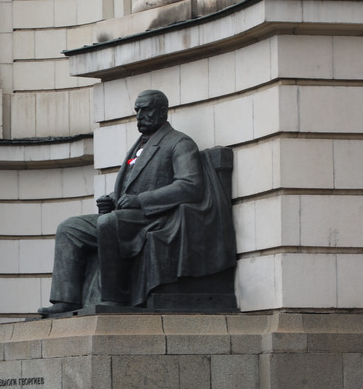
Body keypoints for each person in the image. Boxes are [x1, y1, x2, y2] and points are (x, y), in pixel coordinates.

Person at [38, 90, 236, 315]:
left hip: (157, 217)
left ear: (162, 112)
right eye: (137, 110)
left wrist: (141, 201)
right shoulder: (140, 145)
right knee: (69, 227)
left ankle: (115, 298)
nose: (140, 115)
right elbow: (134, 183)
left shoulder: (179, 143)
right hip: (129, 215)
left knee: (109, 224)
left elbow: (190, 185)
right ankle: (66, 300)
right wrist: (112, 200)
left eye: (146, 110)